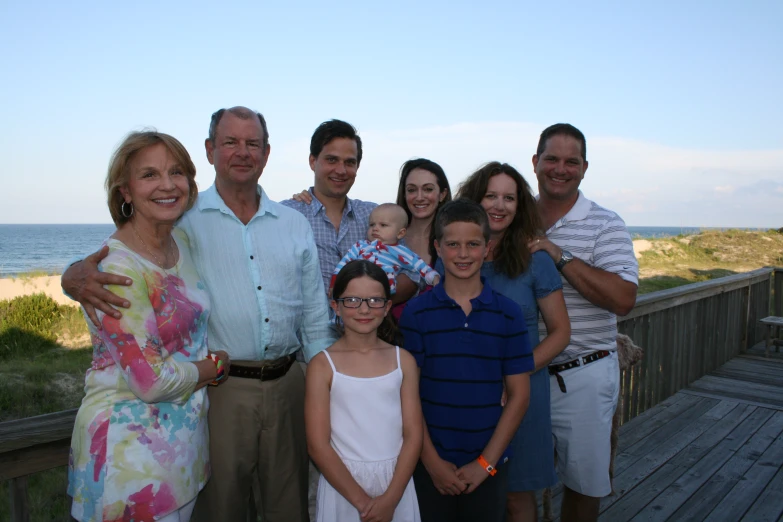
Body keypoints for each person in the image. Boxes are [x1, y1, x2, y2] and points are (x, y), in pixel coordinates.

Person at [62, 107, 336, 522]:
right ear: (210, 150)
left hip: (282, 385)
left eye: (252, 143)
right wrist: (72, 276)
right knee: (222, 509)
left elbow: (316, 316)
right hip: (217, 391)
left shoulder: (292, 223)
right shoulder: (184, 221)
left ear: (266, 153)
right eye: (230, 142)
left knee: (288, 507)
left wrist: (323, 389)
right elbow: (128, 253)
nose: (242, 152)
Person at [67, 131, 231, 522]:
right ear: (125, 192)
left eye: (176, 172)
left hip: (180, 451)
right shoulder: (118, 267)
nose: (167, 184)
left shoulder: (181, 244)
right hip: (129, 460)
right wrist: (215, 367)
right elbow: (151, 380)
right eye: (150, 175)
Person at [528, 124, 638, 522]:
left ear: (584, 168)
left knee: (582, 488)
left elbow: (623, 298)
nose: (560, 168)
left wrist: (558, 254)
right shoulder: (515, 218)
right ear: (535, 162)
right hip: (524, 377)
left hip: (583, 375)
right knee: (515, 483)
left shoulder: (606, 224)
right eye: (552, 159)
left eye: (571, 161)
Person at [399, 199, 534, 522]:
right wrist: (430, 462)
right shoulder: (417, 313)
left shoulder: (509, 314)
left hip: (489, 464)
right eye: (453, 244)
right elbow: (408, 396)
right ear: (437, 247)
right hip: (429, 464)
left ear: (487, 248)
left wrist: (485, 463)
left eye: (473, 244)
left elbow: (519, 396)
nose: (462, 254)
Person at [456, 162, 570, 522]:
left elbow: (561, 332)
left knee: (517, 499)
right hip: (466, 393)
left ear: (520, 206)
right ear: (475, 200)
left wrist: (513, 373)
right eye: (490, 195)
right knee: (468, 494)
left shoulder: (535, 260)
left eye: (509, 197)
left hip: (521, 395)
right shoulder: (457, 257)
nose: (499, 205)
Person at [306, 260, 423, 522]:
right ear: (335, 305)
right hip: (344, 487)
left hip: (397, 484)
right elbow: (318, 445)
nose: (364, 309)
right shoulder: (322, 366)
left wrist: (390, 499)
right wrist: (364, 504)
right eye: (353, 300)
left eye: (374, 300)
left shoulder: (403, 360)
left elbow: (414, 435)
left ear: (387, 307)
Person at [331, 203, 440, 295]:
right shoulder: (360, 246)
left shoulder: (402, 252)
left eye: (383, 225)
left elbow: (420, 266)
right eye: (371, 224)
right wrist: (334, 282)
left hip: (382, 295)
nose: (375, 229)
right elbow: (343, 263)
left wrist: (434, 278)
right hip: (355, 289)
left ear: (400, 233)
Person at [394, 158, 452, 266]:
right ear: (404, 194)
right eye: (412, 190)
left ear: (442, 194)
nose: (419, 197)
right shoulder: (390, 238)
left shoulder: (453, 239)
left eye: (428, 189)